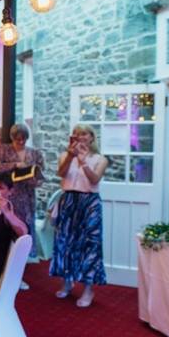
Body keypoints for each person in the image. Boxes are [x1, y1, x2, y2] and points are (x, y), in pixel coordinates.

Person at [51, 124, 109, 308]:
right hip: (69, 200)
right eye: (76, 134)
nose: (79, 137)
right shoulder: (65, 155)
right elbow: (60, 173)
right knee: (65, 242)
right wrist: (70, 156)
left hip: (89, 202)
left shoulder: (101, 159)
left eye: (83, 134)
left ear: (91, 137)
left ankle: (88, 289)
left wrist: (83, 161)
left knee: (89, 245)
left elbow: (94, 179)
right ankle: (67, 281)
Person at [0, 123, 45, 264]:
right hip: (7, 194)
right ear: (12, 138)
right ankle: (5, 263)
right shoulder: (3, 150)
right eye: (17, 139)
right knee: (6, 229)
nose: (21, 142)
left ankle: (21, 264)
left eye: (23, 139)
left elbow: (41, 176)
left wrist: (32, 178)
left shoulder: (34, 153)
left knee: (24, 229)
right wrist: (14, 165)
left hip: (27, 196)